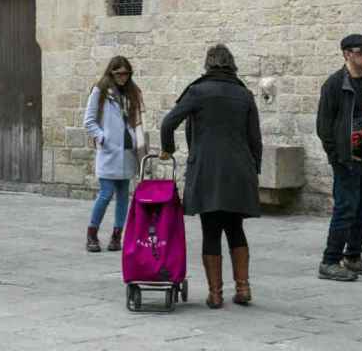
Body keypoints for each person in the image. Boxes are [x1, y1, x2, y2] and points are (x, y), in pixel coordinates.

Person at [160, 45, 262, 309]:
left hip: (207, 170)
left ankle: (215, 294)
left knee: (211, 229)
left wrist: (167, 149)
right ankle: (243, 288)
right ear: (232, 64)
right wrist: (254, 171)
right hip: (239, 170)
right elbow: (255, 140)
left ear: (208, 64)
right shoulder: (244, 94)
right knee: (235, 227)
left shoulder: (197, 91)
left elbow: (168, 123)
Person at [316, 34, 362, 282]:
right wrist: (337, 156)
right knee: (345, 209)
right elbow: (324, 126)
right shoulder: (334, 85)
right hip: (347, 160)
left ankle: (353, 256)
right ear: (347, 54)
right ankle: (330, 260)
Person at [82, 56, 146, 253]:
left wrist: (140, 144)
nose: (123, 77)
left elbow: (138, 121)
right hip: (109, 150)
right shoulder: (100, 91)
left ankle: (117, 236)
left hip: (128, 151)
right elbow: (89, 120)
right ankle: (92, 234)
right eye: (119, 73)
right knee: (106, 193)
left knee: (123, 196)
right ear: (111, 72)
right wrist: (102, 138)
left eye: (126, 73)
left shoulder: (133, 93)